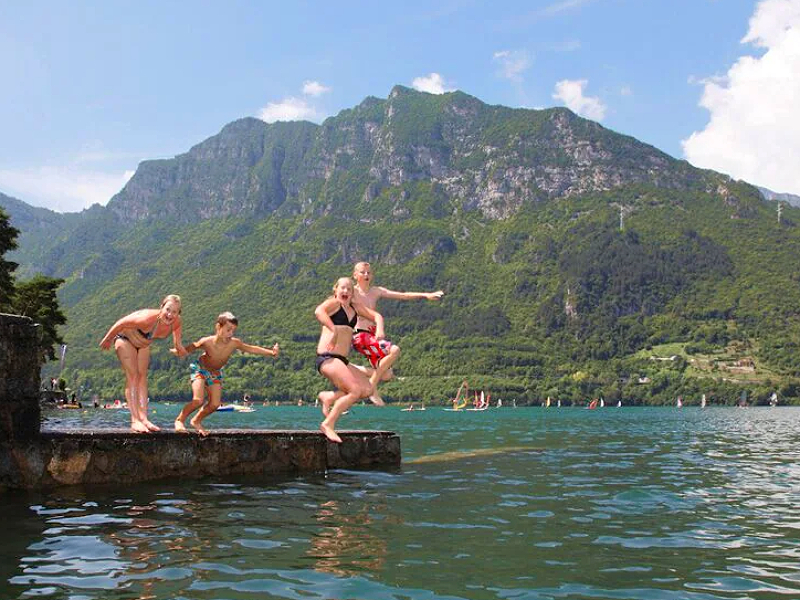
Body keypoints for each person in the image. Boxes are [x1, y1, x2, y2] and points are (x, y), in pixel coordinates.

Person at [351, 261, 444, 404]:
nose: (366, 275)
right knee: (394, 350)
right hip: (360, 336)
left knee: (387, 374)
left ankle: (351, 367)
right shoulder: (352, 292)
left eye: (369, 272)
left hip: (372, 335)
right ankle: (371, 387)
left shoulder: (376, 291)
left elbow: (403, 295)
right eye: (363, 272)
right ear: (355, 275)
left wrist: (426, 295)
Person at [173, 311, 279, 435]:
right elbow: (192, 347)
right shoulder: (207, 341)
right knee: (198, 400)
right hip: (200, 369)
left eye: (233, 330)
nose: (231, 334)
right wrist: (179, 351)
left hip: (215, 373)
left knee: (215, 404)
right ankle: (179, 420)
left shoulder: (234, 343)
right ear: (218, 327)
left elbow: (250, 348)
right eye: (228, 330)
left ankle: (196, 421)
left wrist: (271, 353)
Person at [99, 294, 185, 433]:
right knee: (132, 376)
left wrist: (179, 349)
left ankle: (144, 418)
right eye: (168, 309)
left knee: (142, 377)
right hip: (125, 339)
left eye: (174, 312)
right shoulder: (146, 318)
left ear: (178, 313)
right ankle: (135, 420)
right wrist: (107, 339)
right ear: (161, 307)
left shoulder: (176, 322)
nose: (170, 314)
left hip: (144, 344)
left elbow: (177, 339)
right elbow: (121, 323)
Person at [315, 277, 385, 443]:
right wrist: (333, 330)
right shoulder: (333, 304)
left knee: (367, 390)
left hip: (341, 360)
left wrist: (379, 329)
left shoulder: (354, 308)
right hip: (327, 358)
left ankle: (329, 397)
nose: (345, 291)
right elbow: (319, 311)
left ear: (353, 294)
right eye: (343, 288)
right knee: (354, 390)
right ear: (336, 290)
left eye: (349, 289)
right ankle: (328, 424)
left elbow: (377, 316)